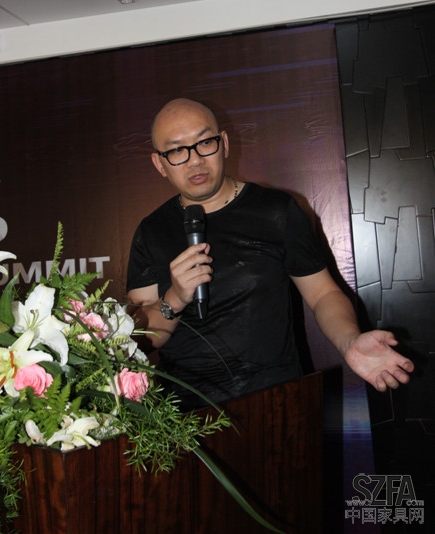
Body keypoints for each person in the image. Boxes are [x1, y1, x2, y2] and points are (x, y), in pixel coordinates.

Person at [126, 98, 414, 408]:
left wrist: (350, 341)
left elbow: (322, 294)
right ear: (159, 163)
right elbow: (140, 339)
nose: (195, 160)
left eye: (205, 142)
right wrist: (174, 298)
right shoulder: (151, 231)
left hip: (276, 403)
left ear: (224, 144)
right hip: (184, 415)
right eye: (177, 151)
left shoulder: (276, 210)